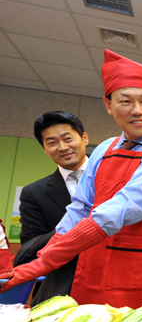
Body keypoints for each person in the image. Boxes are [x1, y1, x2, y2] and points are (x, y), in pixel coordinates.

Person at [0, 50, 142, 309]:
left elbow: (122, 206)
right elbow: (80, 207)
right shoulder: (104, 149)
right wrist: (45, 255)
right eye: (125, 101)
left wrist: (45, 262)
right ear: (108, 105)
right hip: (94, 262)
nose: (138, 111)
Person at [14, 111, 89, 305]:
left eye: (67, 138)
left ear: (84, 138)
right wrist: (75, 226)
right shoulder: (34, 193)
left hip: (113, 279)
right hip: (60, 287)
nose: (63, 147)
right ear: (45, 149)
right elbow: (31, 245)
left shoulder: (116, 179)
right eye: (52, 142)